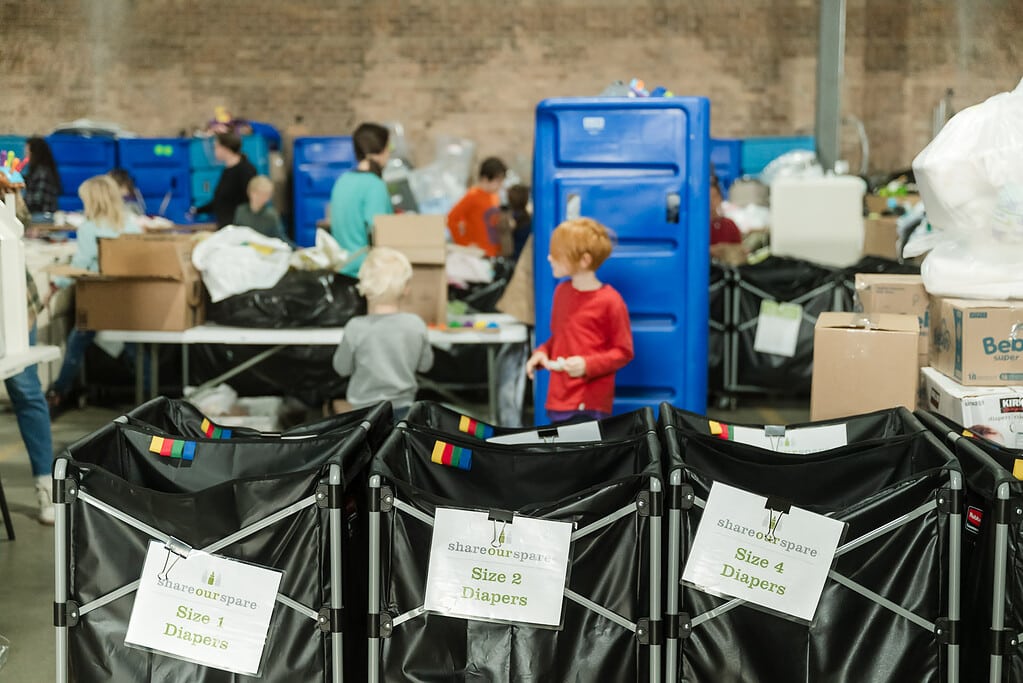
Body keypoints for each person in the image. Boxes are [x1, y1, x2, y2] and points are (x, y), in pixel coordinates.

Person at [47, 175, 141, 412]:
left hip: (99, 299)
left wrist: (56, 284)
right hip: (130, 299)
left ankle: (58, 392)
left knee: (76, 342)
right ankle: (151, 398)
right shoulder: (132, 223)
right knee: (138, 350)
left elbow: (81, 264)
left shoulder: (89, 229)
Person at [526, 218, 633, 423]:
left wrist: (587, 365)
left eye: (557, 254)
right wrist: (541, 353)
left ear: (584, 260)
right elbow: (560, 337)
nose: (549, 258)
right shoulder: (561, 292)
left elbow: (624, 351)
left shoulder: (611, 301)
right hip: (558, 401)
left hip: (589, 404)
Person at [332, 247, 433, 421]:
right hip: (404, 411)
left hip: (362, 415)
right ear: (406, 288)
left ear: (363, 285)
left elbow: (341, 368)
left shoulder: (355, 327)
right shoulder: (416, 325)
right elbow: (425, 365)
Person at [328, 122, 393, 278]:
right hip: (365, 274)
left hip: (341, 268)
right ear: (381, 151)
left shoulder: (342, 180)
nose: (389, 154)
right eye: (389, 149)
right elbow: (379, 232)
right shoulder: (374, 185)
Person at [193, 131, 258, 228]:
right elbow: (220, 201)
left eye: (216, 146)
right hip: (225, 228)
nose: (214, 150)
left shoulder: (246, 170)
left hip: (239, 229)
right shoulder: (227, 170)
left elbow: (251, 203)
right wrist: (198, 210)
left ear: (225, 148)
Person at [447, 157, 507, 257]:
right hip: (477, 255)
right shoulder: (472, 196)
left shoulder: (495, 196)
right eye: (498, 180)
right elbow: (452, 218)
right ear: (485, 178)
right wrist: (464, 244)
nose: (500, 184)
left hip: (493, 253)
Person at [233, 175, 288, 241]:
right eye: (258, 193)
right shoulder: (241, 211)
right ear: (250, 191)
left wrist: (296, 249)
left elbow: (281, 238)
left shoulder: (271, 215)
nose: (261, 197)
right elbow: (235, 234)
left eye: (266, 194)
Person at [709, 174, 746, 264]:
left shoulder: (729, 225)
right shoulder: (695, 228)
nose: (711, 201)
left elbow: (739, 251)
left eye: (714, 197)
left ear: (720, 199)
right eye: (707, 197)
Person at [22, 136, 62, 215]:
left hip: (43, 215)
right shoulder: (35, 171)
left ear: (35, 153)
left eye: (27, 153)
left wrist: (18, 201)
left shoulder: (42, 172)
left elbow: (38, 199)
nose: (25, 156)